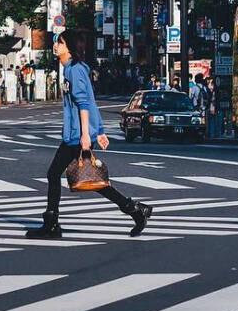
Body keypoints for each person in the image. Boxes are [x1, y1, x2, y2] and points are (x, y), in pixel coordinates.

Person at [25, 29, 152, 240]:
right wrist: (99, 131)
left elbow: (84, 103)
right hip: (76, 133)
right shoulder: (72, 69)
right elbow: (91, 101)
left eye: (61, 43)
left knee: (59, 175)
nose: (56, 46)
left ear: (71, 48)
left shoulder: (74, 70)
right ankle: (134, 209)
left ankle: (51, 224)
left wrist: (87, 134)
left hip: (77, 134)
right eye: (57, 42)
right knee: (91, 179)